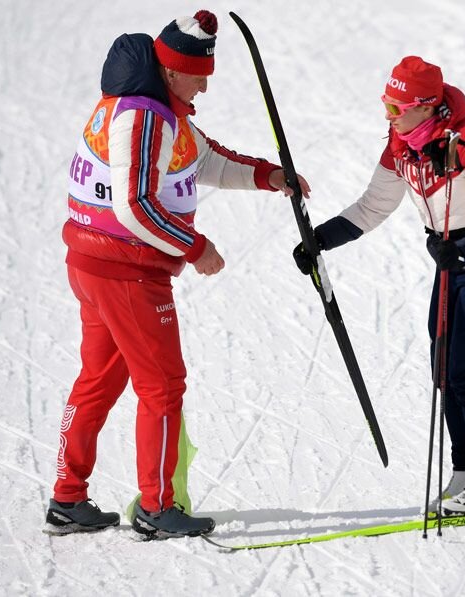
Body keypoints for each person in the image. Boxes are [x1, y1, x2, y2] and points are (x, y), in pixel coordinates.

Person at [45, 10, 310, 539]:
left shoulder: (162, 114)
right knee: (163, 385)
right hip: (126, 271)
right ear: (171, 71)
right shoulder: (144, 117)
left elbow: (206, 161)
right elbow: (135, 205)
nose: (206, 85)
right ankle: (157, 508)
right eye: (199, 73)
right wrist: (196, 247)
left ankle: (67, 499)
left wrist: (269, 176)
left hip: (99, 265)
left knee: (99, 381)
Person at [294, 56, 465, 514]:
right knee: (444, 369)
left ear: (425, 105)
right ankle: (462, 474)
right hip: (450, 264)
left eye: (396, 107)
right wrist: (321, 239)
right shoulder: (401, 145)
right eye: (385, 104)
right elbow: (374, 206)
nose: (388, 115)